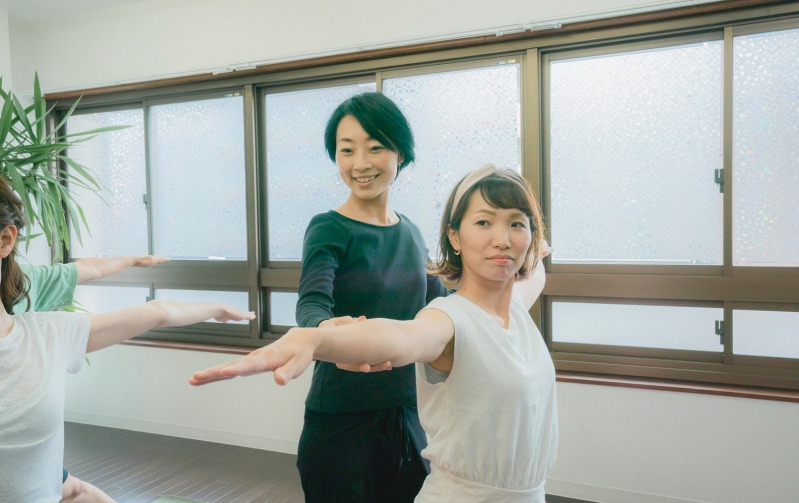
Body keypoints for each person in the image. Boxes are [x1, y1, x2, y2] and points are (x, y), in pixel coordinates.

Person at [191, 164, 558, 502]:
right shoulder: (448, 320)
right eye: (483, 222)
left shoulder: (514, 309)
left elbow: (533, 276)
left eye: (516, 224)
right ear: (455, 237)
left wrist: (537, 254)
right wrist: (316, 339)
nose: (502, 239)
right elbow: (401, 336)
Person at [0, 179, 256, 503]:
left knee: (71, 488)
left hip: (38, 477)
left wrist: (215, 308)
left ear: (6, 240)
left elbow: (155, 311)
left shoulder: (46, 330)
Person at [292, 91, 448, 502]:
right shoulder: (328, 227)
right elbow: (311, 302)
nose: (360, 163)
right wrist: (324, 331)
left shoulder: (412, 233)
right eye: (347, 150)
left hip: (407, 414)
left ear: (400, 153)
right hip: (339, 418)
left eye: (375, 147)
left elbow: (442, 306)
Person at [13, 254, 170, 503]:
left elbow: (85, 269)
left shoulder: (22, 280)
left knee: (73, 489)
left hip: (24, 443)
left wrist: (131, 260)